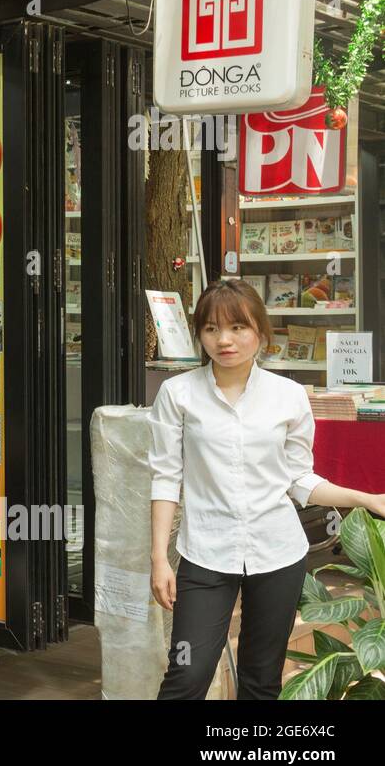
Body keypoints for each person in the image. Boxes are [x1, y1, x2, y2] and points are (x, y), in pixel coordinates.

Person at [150, 279, 385, 699]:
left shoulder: (289, 396)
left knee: (262, 681)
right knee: (187, 673)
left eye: (238, 327)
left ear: (260, 330)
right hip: (205, 553)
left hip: (277, 554)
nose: (224, 340)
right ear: (199, 334)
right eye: (211, 329)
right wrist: (158, 559)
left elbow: (299, 480)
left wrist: (365, 498)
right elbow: (166, 476)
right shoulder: (178, 393)